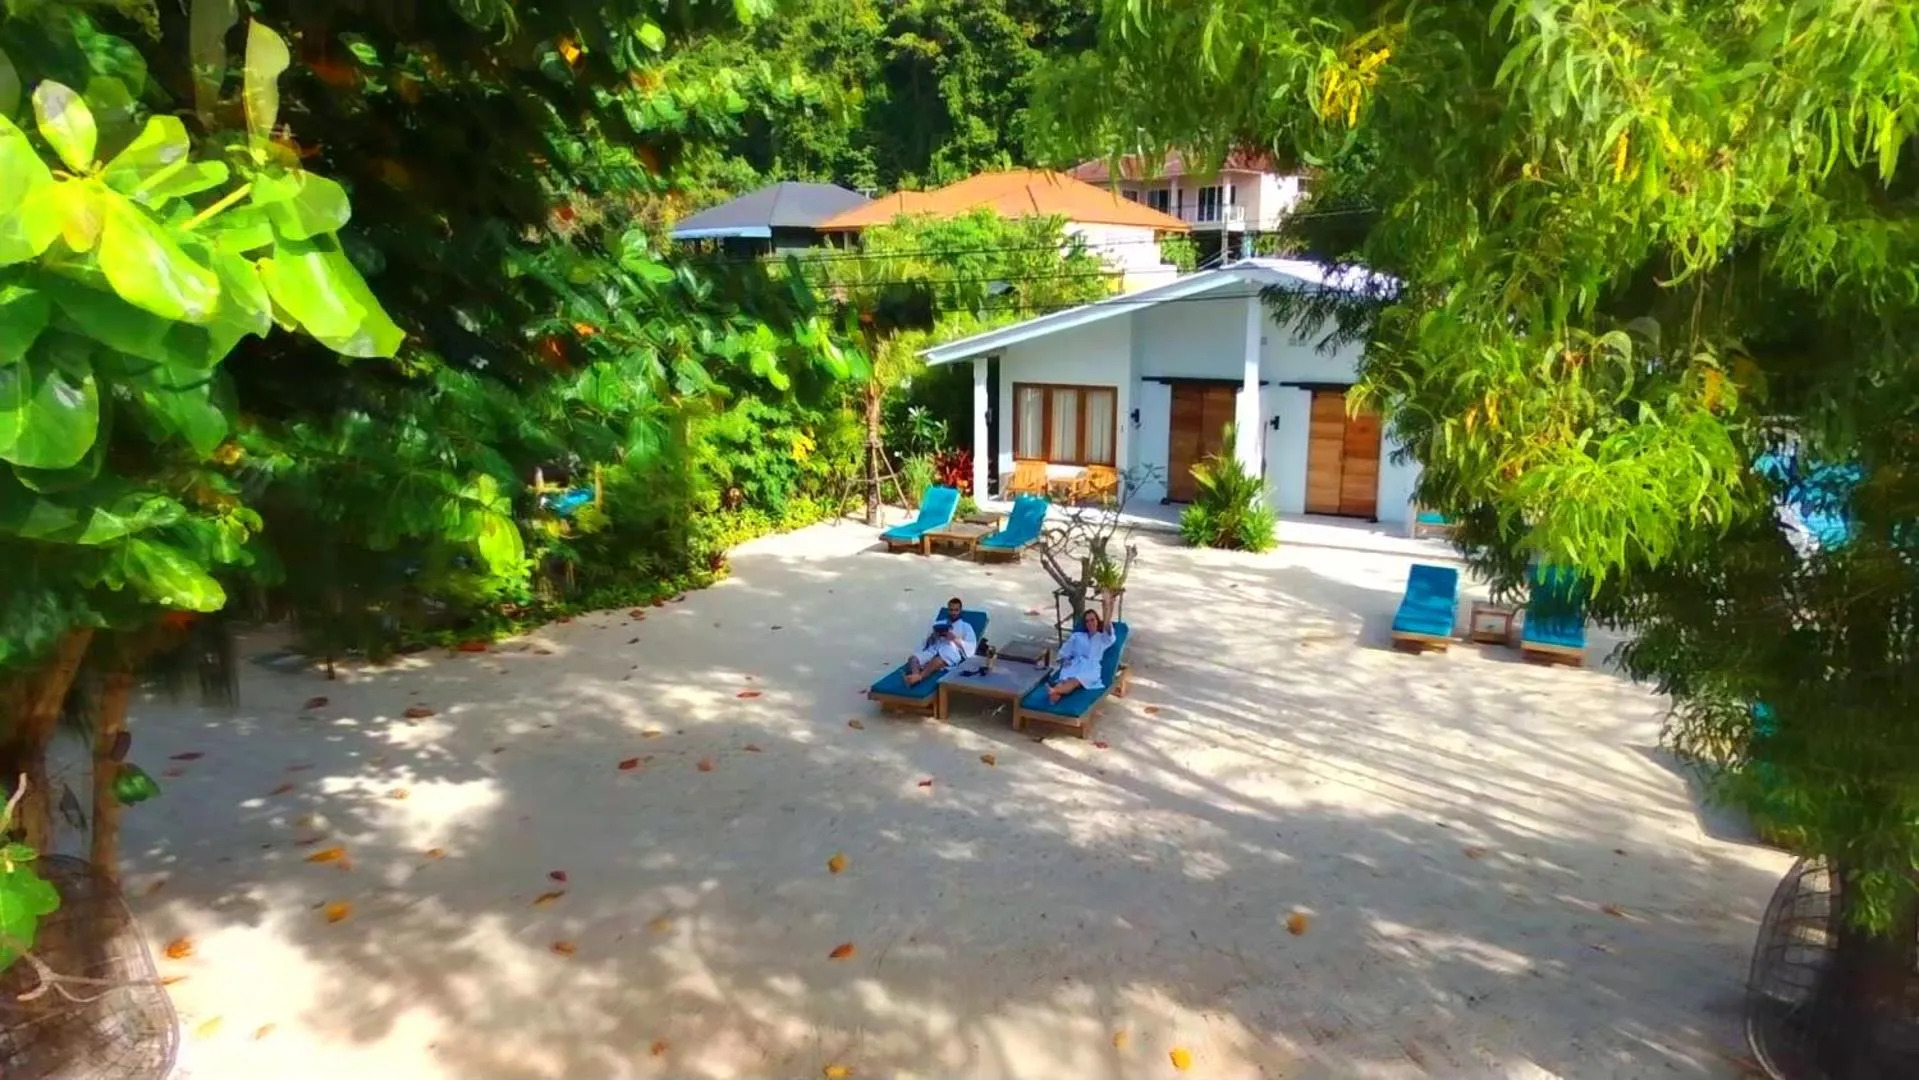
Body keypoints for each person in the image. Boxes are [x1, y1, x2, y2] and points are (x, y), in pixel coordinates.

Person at [1047, 596, 1117, 704]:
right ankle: (1054, 694)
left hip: (1090, 669)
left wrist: (1107, 606)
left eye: (1092, 620)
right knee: (1063, 682)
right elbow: (1065, 650)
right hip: (1075, 664)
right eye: (1087, 621)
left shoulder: (1102, 638)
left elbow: (1107, 625)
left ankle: (1053, 690)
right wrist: (1064, 659)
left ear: (1097, 621)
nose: (1090, 623)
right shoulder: (1078, 636)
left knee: (1075, 681)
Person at [905, 597, 976, 685]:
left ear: (960, 610)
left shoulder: (966, 627)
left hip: (951, 651)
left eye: (956, 610)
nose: (953, 612)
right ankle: (915, 675)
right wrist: (933, 637)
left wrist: (954, 638)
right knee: (913, 658)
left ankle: (920, 677)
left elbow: (971, 646)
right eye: (951, 610)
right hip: (934, 649)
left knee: (937, 661)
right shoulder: (938, 623)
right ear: (948, 610)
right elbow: (926, 643)